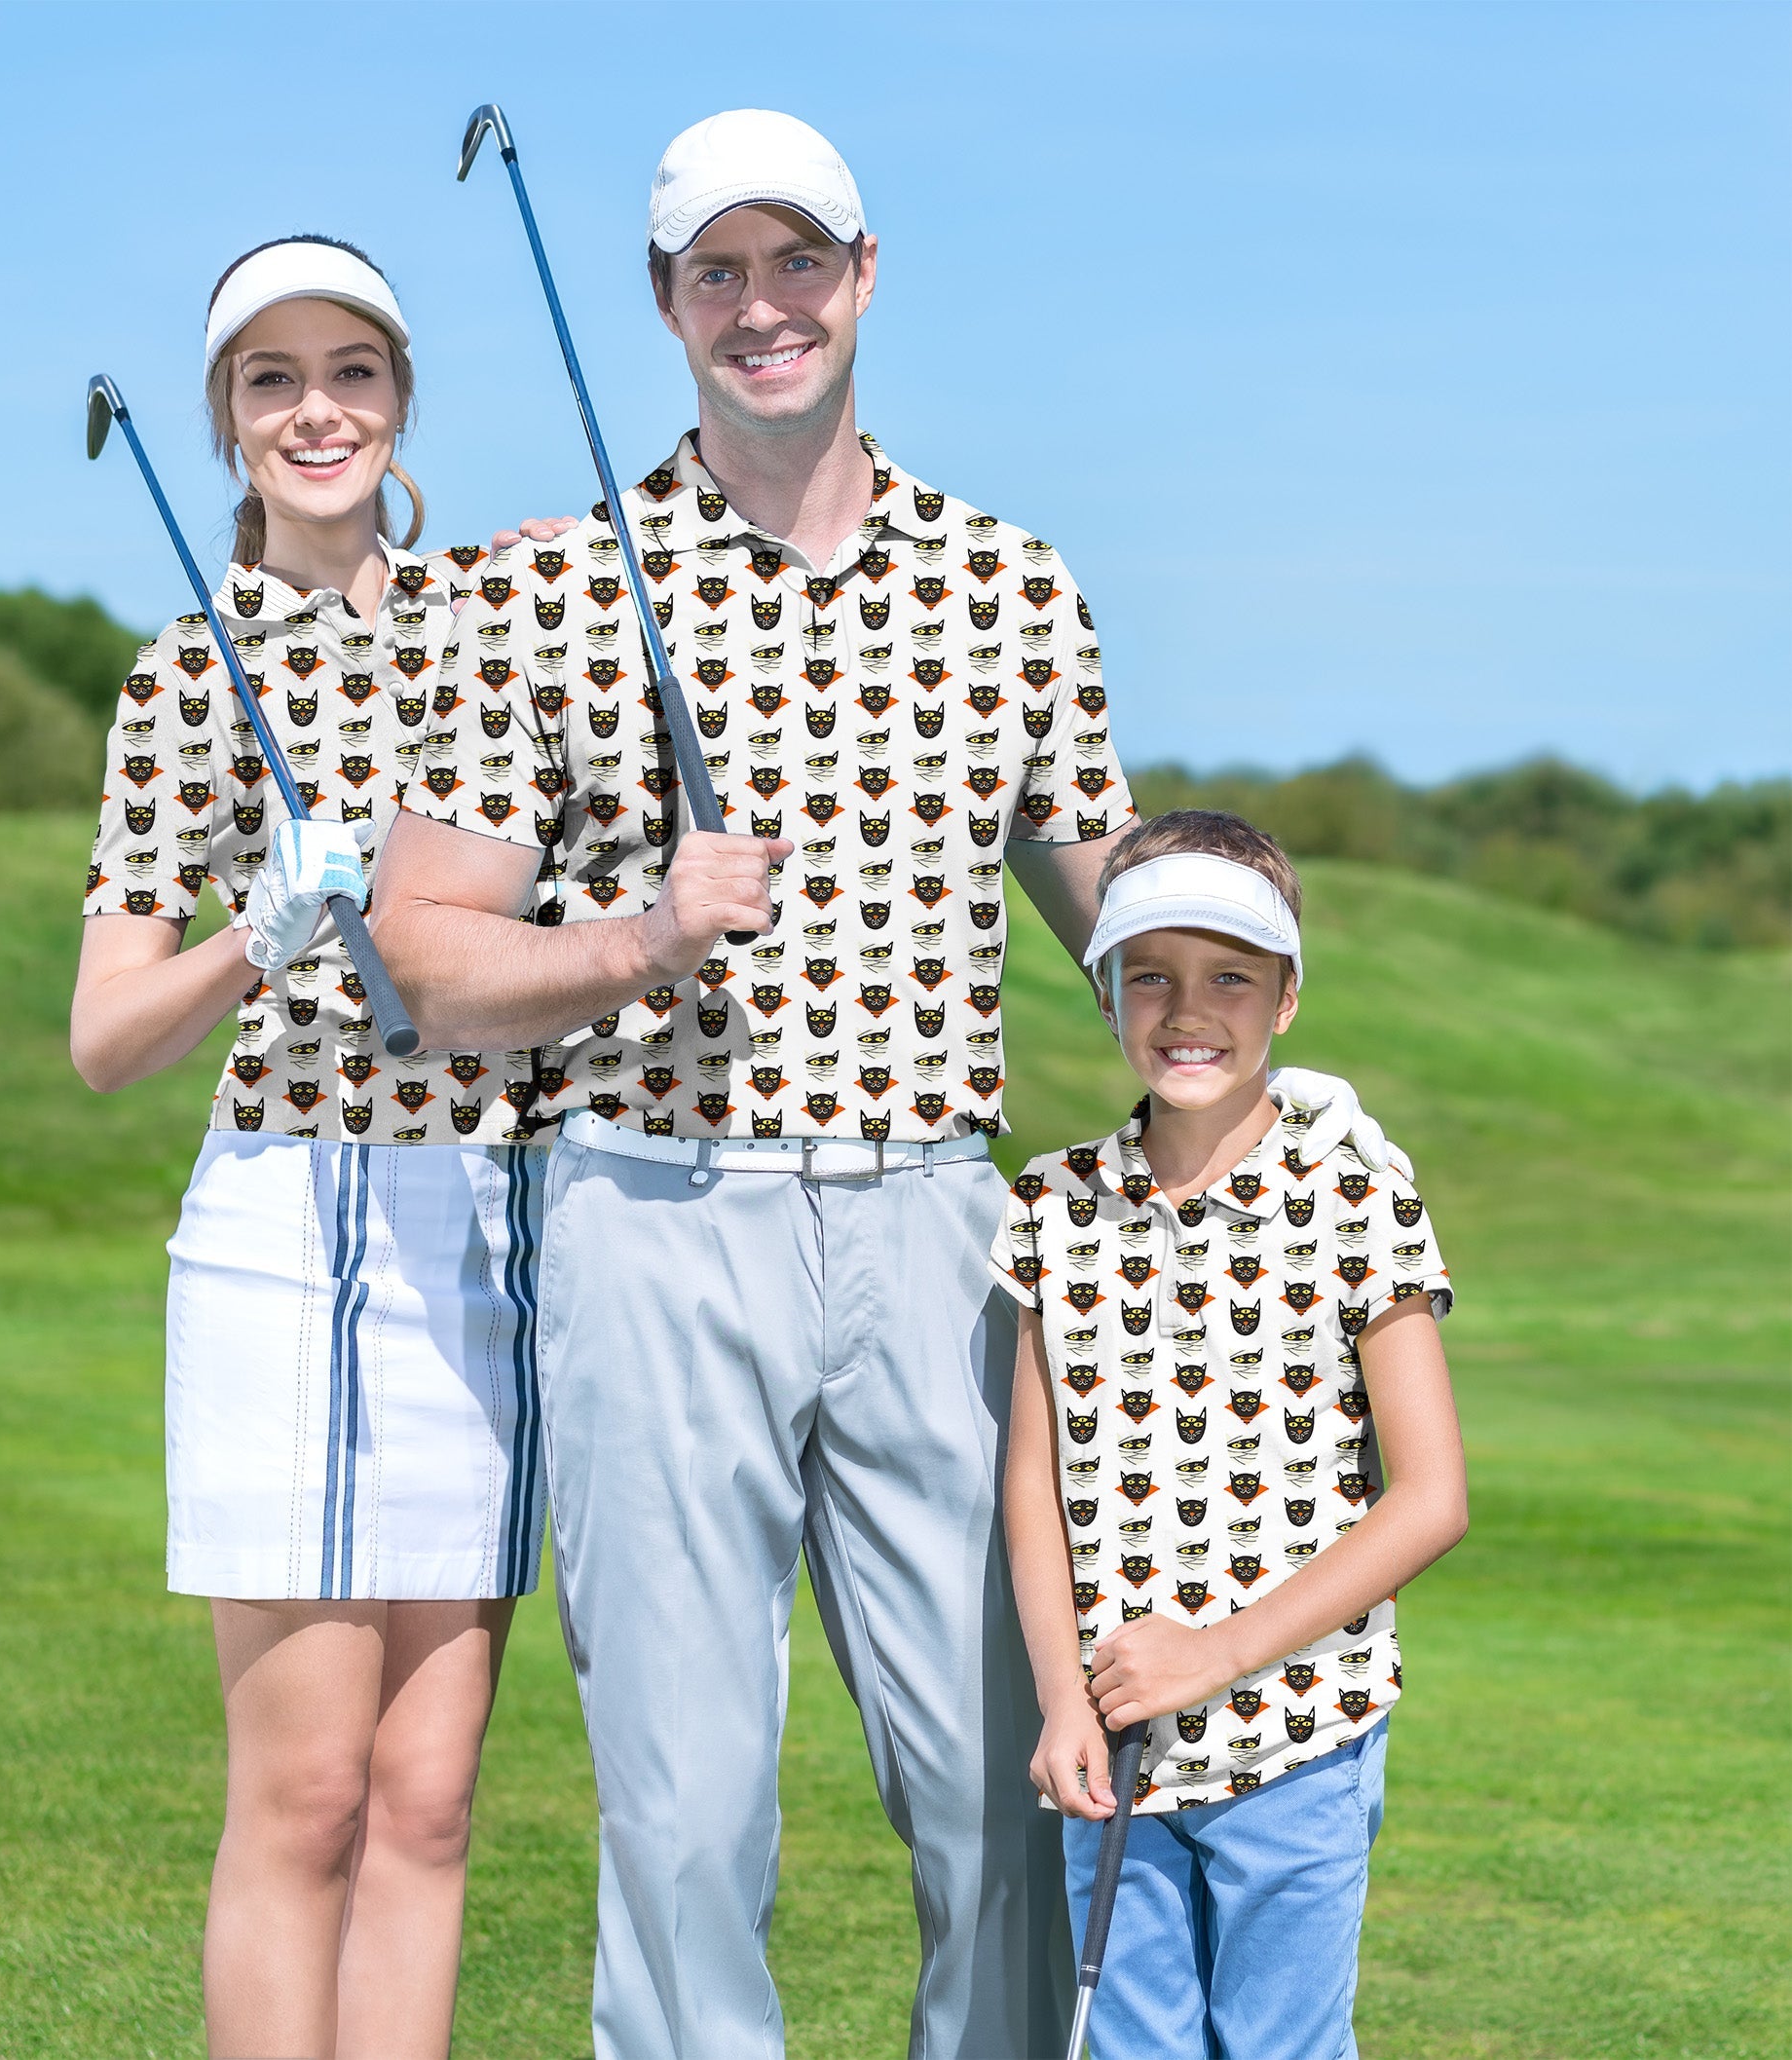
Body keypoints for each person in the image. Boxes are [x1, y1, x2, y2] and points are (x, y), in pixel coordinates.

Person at [370, 110, 1138, 2057]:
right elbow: (427, 951)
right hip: (654, 1213)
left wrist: (1241, 965)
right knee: (687, 1810)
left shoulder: (1011, 586)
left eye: (797, 261)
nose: (761, 304)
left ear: (862, 277)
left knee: (995, 1785)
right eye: (717, 270)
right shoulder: (553, 590)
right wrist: (637, 937)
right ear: (664, 302)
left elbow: (1115, 922)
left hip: (936, 1223)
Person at [70, 235, 572, 2060]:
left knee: (428, 1797)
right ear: (226, 418)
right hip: (284, 1224)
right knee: (307, 1795)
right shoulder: (177, 678)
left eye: (350, 371)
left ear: (401, 398)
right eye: (270, 379)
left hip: (478, 1224)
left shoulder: (505, 629)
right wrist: (251, 936)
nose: (315, 410)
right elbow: (105, 1037)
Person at [992, 809, 1470, 2060]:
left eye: (1231, 978)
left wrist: (1216, 1656)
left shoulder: (1358, 1196)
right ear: (1104, 991)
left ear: (1287, 998)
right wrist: (1060, 1700)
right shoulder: (1052, 1203)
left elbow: (1432, 1498)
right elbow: (1032, 1484)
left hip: (1300, 1732)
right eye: (1150, 975)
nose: (1187, 1010)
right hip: (1112, 1744)